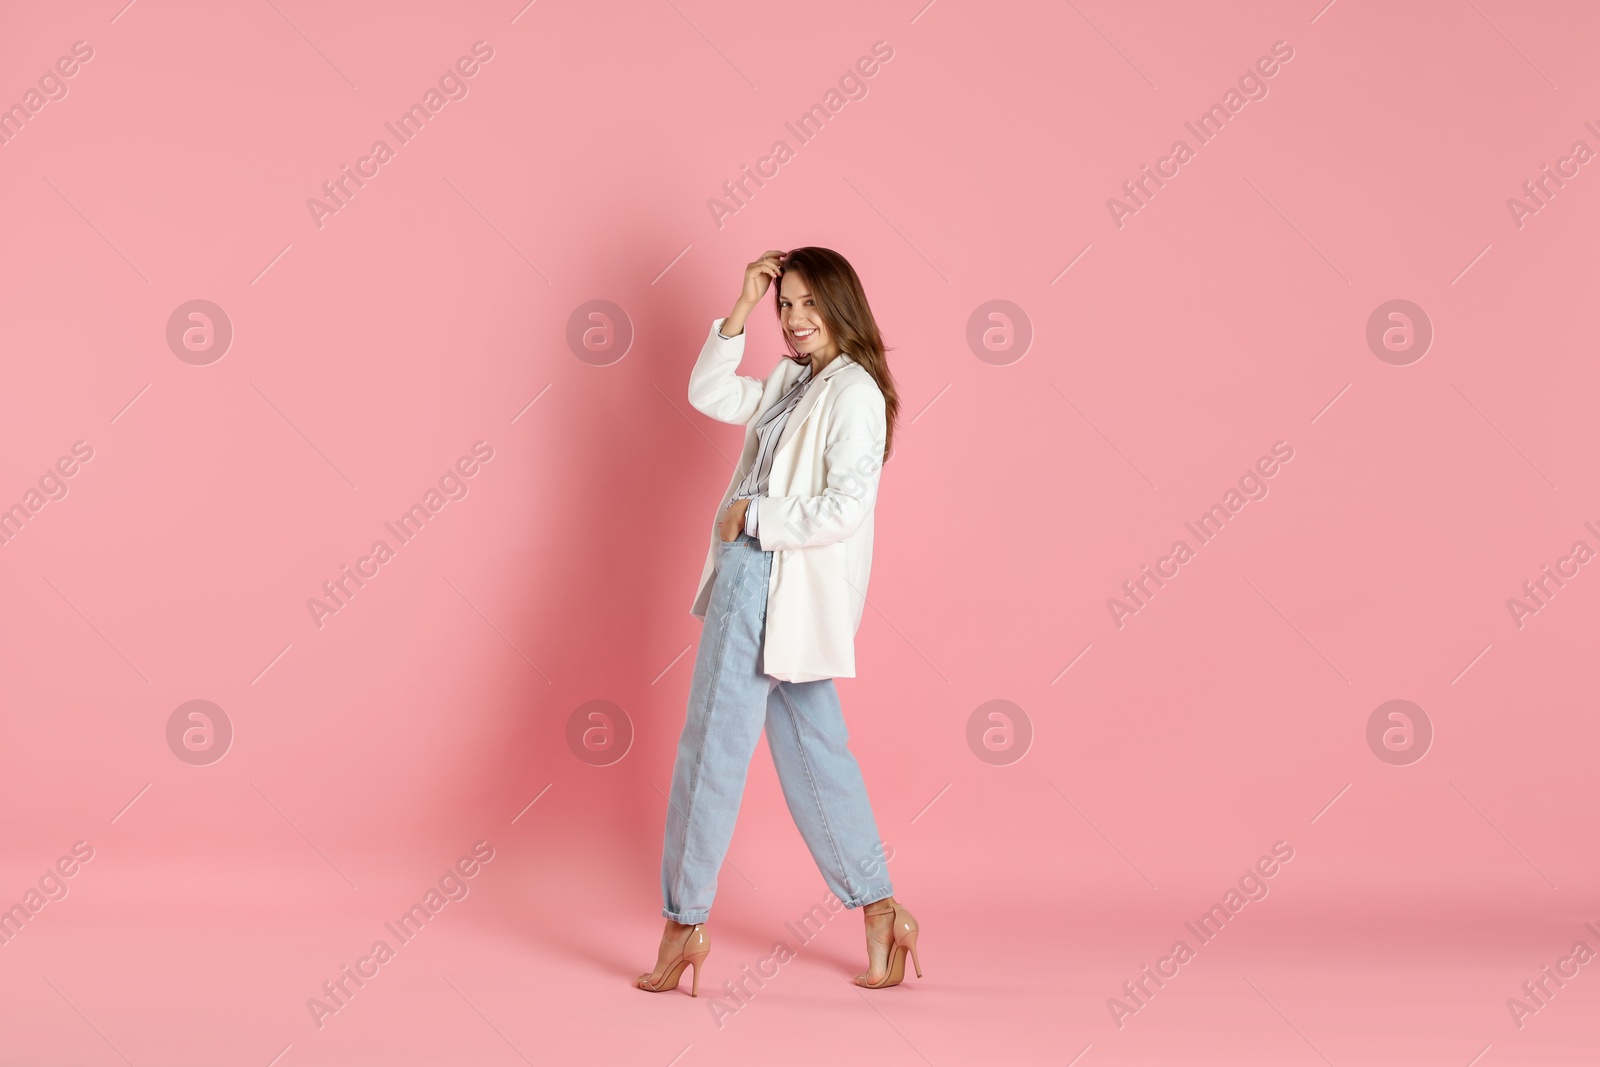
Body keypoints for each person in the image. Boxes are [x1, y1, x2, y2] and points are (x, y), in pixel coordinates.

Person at [636, 247, 922, 996]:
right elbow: (708, 391)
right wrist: (739, 303)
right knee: (817, 754)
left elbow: (844, 505)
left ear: (841, 306)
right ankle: (884, 910)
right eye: (784, 305)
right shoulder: (794, 380)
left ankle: (683, 919)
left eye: (807, 304)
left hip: (770, 573)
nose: (793, 319)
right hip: (765, 578)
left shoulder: (854, 390)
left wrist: (750, 513)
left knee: (711, 748)